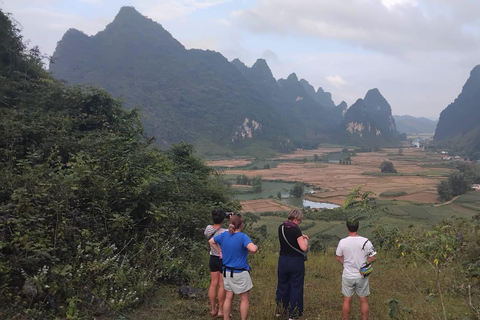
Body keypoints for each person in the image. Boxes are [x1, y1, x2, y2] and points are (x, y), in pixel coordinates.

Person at [209, 213, 258, 320]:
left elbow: (211, 241)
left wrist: (219, 251)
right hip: (240, 273)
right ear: (241, 225)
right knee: (244, 299)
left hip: (226, 272)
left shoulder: (225, 235)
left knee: (228, 297)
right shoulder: (243, 237)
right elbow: (253, 249)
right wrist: (256, 247)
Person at [335, 218, 376, 320]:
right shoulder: (366, 241)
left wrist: (345, 265)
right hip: (362, 274)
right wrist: (364, 265)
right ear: (358, 227)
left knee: (347, 300)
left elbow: (338, 257)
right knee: (363, 301)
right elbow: (372, 257)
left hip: (348, 275)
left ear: (347, 227)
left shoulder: (342, 242)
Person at [276, 209, 309, 320]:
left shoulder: (281, 227)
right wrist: (305, 240)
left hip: (283, 260)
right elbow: (303, 248)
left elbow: (288, 240)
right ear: (296, 219)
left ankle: (280, 310)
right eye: (299, 220)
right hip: (295, 261)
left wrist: (300, 236)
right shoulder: (296, 230)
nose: (299, 222)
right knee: (296, 287)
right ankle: (293, 314)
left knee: (282, 285)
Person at [205, 209, 227, 317]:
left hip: (213, 258)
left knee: (213, 284)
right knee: (222, 285)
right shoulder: (225, 232)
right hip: (223, 259)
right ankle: (221, 311)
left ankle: (213, 309)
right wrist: (231, 219)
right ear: (223, 219)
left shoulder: (208, 229)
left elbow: (209, 235)